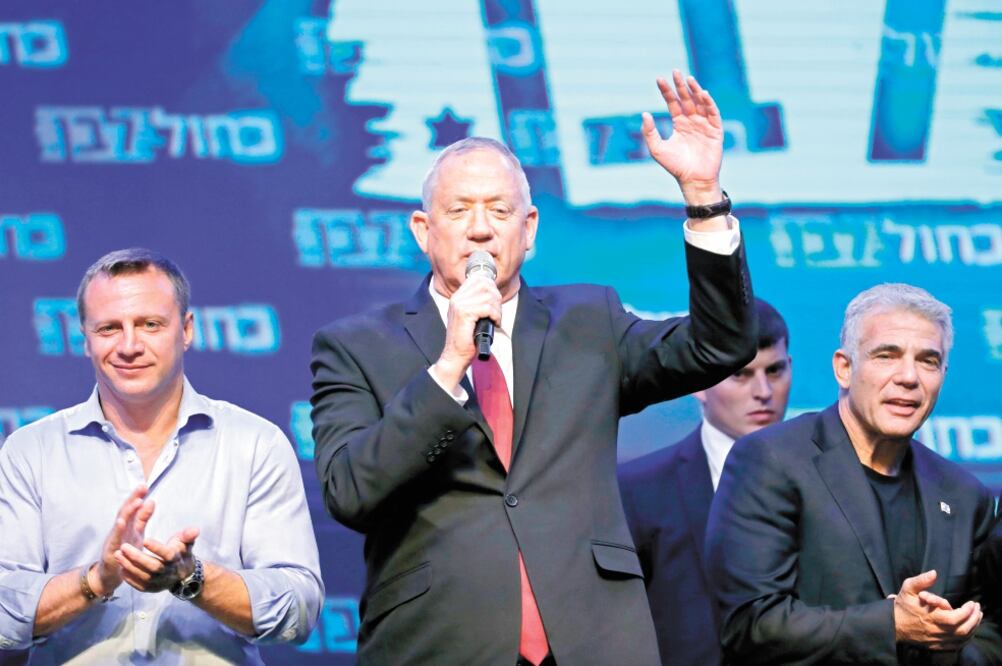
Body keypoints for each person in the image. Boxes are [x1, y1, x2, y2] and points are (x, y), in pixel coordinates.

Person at [309, 70, 757, 666]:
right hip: (439, 642)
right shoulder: (355, 345)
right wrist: (448, 368)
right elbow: (350, 491)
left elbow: (717, 346)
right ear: (423, 230)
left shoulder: (589, 319)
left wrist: (703, 196)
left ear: (530, 228)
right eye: (459, 209)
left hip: (593, 640)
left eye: (499, 209)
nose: (479, 228)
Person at [0, 249, 324, 664]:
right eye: (109, 328)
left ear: (186, 330)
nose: (129, 345)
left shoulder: (255, 444)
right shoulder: (30, 452)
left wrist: (191, 578)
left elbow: (298, 610)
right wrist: (96, 580)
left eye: (150, 324)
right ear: (85, 339)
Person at [706, 283, 1002, 664]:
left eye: (928, 361)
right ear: (844, 368)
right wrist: (891, 625)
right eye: (887, 355)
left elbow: (990, 634)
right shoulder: (770, 462)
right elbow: (750, 624)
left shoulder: (965, 494)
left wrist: (949, 648)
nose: (909, 377)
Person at [618, 298, 792, 665]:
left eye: (774, 371)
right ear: (699, 381)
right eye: (741, 375)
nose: (763, 391)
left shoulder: (831, 481)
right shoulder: (637, 490)